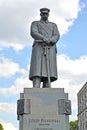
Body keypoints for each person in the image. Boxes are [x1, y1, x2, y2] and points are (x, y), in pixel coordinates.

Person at [29, 8, 60, 88]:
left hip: (50, 47)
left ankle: (47, 85)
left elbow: (56, 35)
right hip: (39, 47)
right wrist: (44, 38)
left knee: (49, 69)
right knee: (37, 68)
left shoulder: (53, 25)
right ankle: (36, 85)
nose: (45, 15)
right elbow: (34, 32)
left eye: (46, 14)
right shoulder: (35, 23)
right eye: (43, 14)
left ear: (48, 14)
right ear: (40, 14)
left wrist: (51, 40)